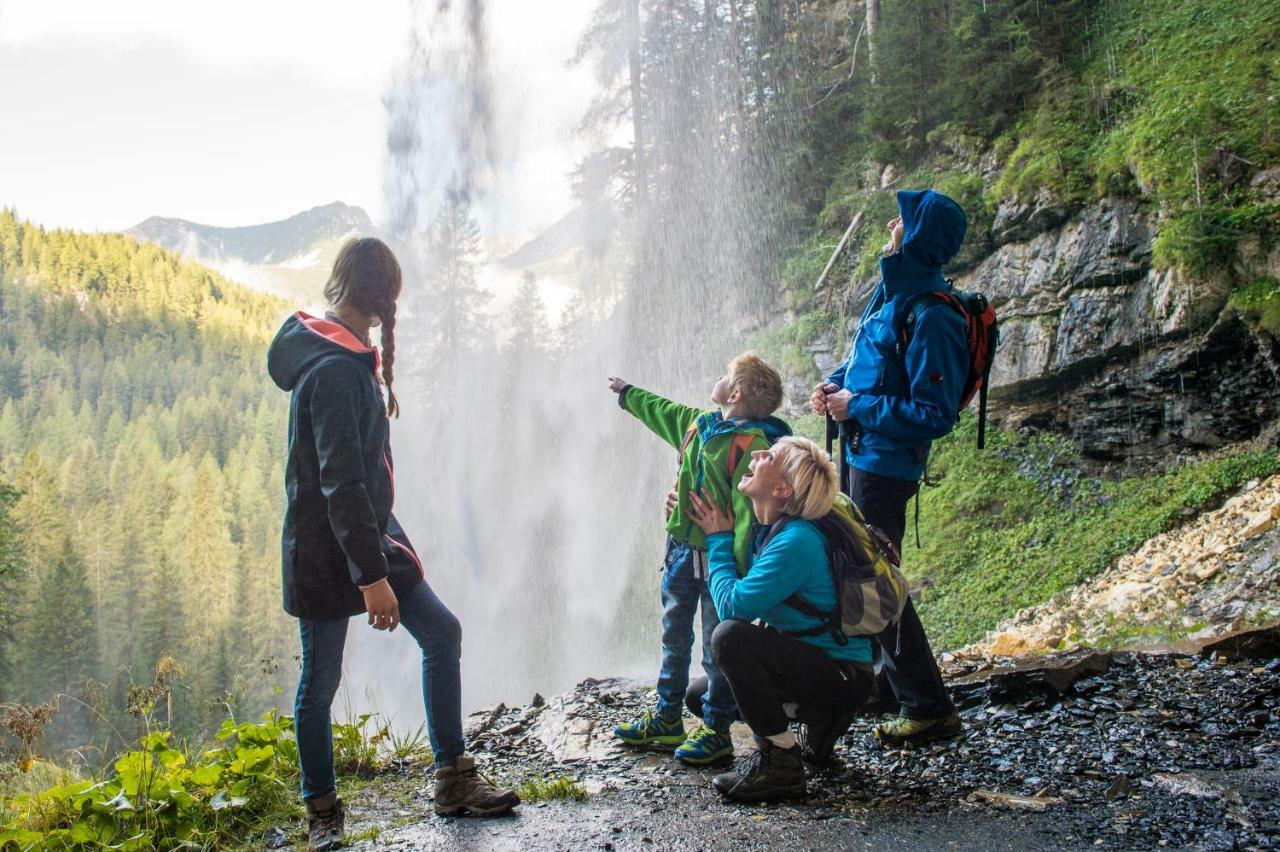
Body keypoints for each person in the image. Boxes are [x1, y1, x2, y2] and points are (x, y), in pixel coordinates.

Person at [267, 237, 518, 850]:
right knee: (321, 683)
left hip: (371, 536)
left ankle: (452, 778)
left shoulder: (347, 357)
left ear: (340, 284)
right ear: (384, 300)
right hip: (329, 552)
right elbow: (341, 483)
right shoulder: (331, 369)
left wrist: (379, 557)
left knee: (441, 633)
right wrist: (371, 577)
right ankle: (322, 812)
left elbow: (358, 483)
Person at [810, 189, 968, 747]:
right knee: (866, 572)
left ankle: (928, 707)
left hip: (886, 464)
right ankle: (887, 682)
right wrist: (837, 384)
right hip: (859, 453)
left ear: (920, 233)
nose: (891, 223)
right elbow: (868, 364)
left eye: (903, 218)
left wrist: (858, 407)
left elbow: (934, 412)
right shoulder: (892, 295)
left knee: (873, 580)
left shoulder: (932, 314)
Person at [607, 354, 790, 765]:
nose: (719, 379)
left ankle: (716, 729)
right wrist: (628, 395)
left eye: (726, 376)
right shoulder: (700, 425)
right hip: (679, 552)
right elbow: (664, 412)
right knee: (673, 636)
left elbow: (748, 515)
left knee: (714, 647)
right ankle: (667, 717)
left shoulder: (752, 446)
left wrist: (739, 564)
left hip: (716, 558)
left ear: (736, 392)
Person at [685, 436, 875, 803]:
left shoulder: (796, 542)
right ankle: (818, 721)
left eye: (768, 455)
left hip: (841, 674)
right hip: (821, 665)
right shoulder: (776, 530)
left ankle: (781, 762)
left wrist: (719, 540)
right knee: (703, 695)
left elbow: (732, 607)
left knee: (729, 637)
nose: (757, 453)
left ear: (783, 489)